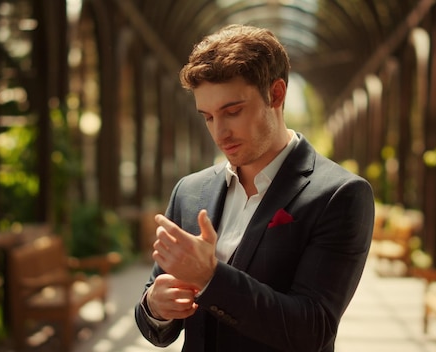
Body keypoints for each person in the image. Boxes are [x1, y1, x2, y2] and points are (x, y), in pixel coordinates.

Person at [135, 24, 374, 352]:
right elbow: (155, 321)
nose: (220, 133)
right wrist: (155, 306)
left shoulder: (340, 195)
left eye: (232, 112)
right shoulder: (189, 191)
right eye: (207, 117)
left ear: (276, 94)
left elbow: (312, 330)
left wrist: (210, 278)